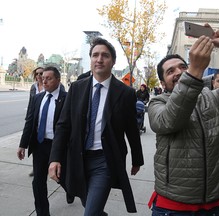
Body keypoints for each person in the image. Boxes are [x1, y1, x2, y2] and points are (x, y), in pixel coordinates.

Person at [147, 27, 219, 215]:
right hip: (172, 207)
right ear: (162, 83)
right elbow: (168, 121)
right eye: (170, 71)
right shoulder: (158, 103)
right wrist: (193, 72)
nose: (178, 72)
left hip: (211, 205)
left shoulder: (216, 97)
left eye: (182, 67)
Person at [48, 37, 144, 216]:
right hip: (78, 158)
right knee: (89, 204)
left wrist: (137, 158)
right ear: (91, 59)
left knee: (90, 212)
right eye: (95, 55)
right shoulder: (77, 88)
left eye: (105, 56)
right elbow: (63, 126)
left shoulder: (125, 93)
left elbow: (132, 129)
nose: (99, 59)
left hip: (105, 160)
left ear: (113, 61)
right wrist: (55, 158)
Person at [17, 66, 67, 216]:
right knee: (38, 182)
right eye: (42, 78)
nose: (43, 81)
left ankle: (71, 191)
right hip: (39, 145)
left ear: (58, 80)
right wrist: (22, 144)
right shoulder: (38, 98)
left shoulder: (67, 98)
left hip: (58, 147)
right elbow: (30, 121)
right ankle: (42, 213)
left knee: (63, 179)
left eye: (48, 78)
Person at [26, 67, 45, 177]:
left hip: (48, 118)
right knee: (34, 143)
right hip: (35, 118)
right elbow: (31, 103)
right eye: (37, 74)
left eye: (41, 73)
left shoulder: (52, 85)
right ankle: (36, 168)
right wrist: (28, 118)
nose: (38, 76)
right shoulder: (33, 87)